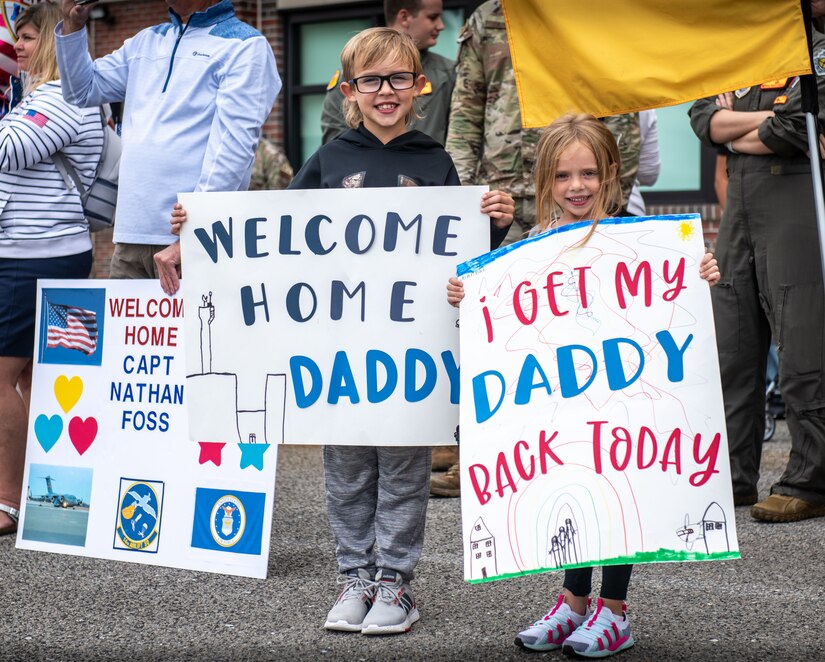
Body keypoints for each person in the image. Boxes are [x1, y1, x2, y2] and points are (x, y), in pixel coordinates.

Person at [170, 27, 514, 635]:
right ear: (350, 90)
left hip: (411, 354)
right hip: (337, 353)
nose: (386, 91)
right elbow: (271, 241)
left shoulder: (434, 161)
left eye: (398, 79)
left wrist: (494, 227)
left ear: (418, 87)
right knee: (347, 470)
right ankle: (353, 576)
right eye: (371, 81)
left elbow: (459, 256)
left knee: (405, 470)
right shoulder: (328, 160)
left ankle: (396, 585)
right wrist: (197, 230)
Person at [446, 113, 720, 658]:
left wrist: (700, 273)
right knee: (574, 488)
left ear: (612, 174)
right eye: (565, 176)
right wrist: (467, 293)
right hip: (562, 403)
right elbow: (503, 310)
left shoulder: (638, 241)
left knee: (621, 488)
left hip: (624, 399)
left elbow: (673, 297)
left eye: (590, 174)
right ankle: (573, 603)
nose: (578, 187)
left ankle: (613, 612)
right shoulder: (533, 246)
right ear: (546, 181)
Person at [433, 0, 642, 497]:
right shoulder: (491, 15)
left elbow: (623, 108)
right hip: (500, 198)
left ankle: (584, 446)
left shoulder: (595, 11)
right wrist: (464, 201)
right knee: (498, 339)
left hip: (578, 193)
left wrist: (608, 202)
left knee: (584, 331)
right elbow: (467, 107)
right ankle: (488, 456)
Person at [689, 0, 825, 520]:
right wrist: (770, 120)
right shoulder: (741, 48)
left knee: (802, 344)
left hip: (796, 205)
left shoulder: (816, 48)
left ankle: (810, 478)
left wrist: (741, 127)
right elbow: (703, 120)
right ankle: (731, 473)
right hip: (740, 209)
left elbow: (801, 128)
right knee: (731, 345)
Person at [55, 0, 280, 296]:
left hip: (194, 244)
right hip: (130, 240)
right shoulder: (146, 41)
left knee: (200, 339)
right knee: (128, 344)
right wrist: (74, 25)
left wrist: (194, 236)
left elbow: (232, 149)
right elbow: (81, 91)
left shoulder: (246, 46)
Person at [0, 1, 102, 536]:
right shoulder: (37, 96)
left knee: (2, 375)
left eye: (32, 36)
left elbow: (13, 149)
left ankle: (9, 500)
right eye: (18, 36)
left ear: (59, 42)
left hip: (33, 254)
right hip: (35, 249)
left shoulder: (63, 93)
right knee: (36, 374)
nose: (19, 45)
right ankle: (48, 500)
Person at [321, 0, 454, 146]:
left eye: (400, 78)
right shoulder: (350, 76)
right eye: (432, 17)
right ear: (404, 17)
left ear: (418, 84)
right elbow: (335, 140)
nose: (441, 26)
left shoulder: (449, 73)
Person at [626, 109, 661, 216]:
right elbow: (649, 174)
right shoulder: (641, 103)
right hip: (629, 208)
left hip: (576, 211)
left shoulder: (575, 99)